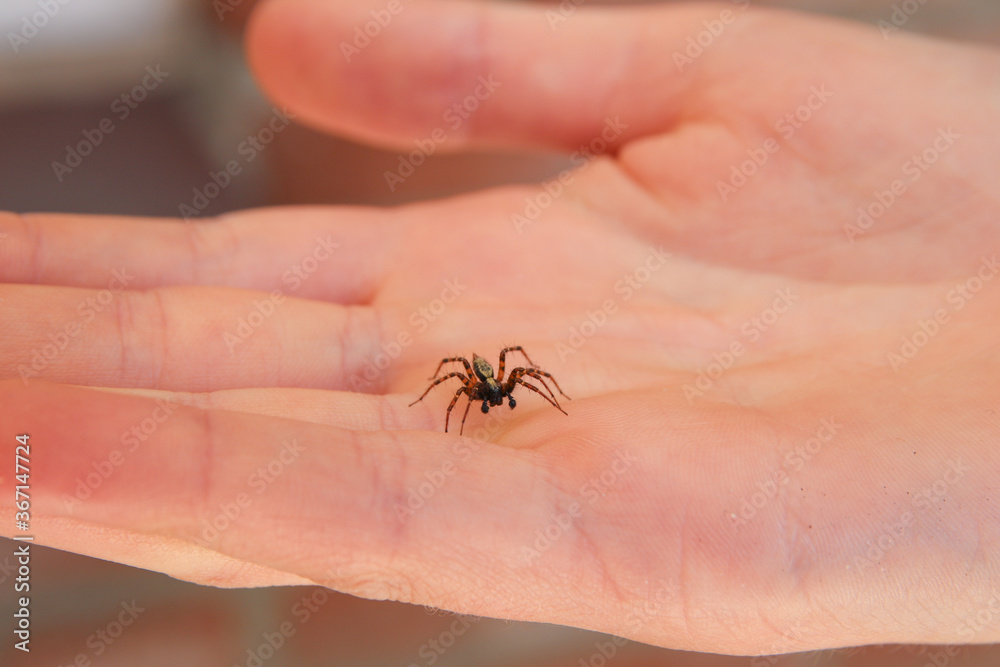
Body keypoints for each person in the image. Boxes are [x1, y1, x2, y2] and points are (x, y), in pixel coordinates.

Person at [3, 0, 998, 657]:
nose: (491, 386)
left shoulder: (509, 377)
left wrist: (537, 395)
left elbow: (513, 371)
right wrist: (458, 399)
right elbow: (456, 374)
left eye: (496, 387)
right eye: (489, 387)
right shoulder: (466, 377)